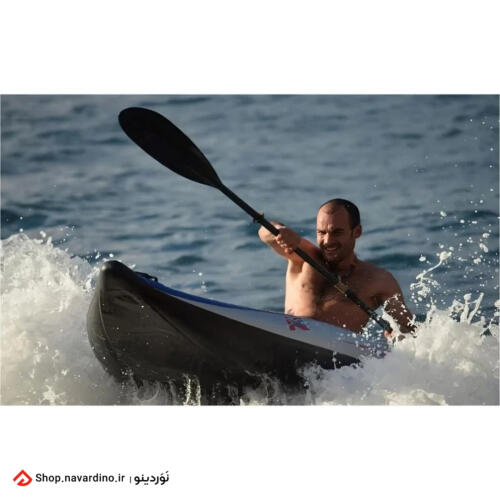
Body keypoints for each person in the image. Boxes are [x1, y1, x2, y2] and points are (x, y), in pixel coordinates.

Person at [258, 199, 415, 336]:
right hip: (289, 340)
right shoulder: (304, 256)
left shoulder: (378, 280)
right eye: (321, 233)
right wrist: (280, 231)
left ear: (357, 232)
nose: (327, 241)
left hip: (337, 358)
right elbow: (264, 232)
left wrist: (397, 335)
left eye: (336, 232)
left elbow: (408, 330)